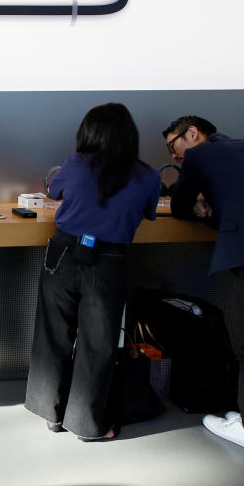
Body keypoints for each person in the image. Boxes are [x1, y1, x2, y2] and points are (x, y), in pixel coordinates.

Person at [25, 103, 160, 440]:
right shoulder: (147, 175)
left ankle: (51, 415)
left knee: (53, 335)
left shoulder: (75, 164)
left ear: (89, 133)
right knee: (97, 343)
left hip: (64, 252)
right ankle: (87, 425)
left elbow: (54, 192)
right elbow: (149, 212)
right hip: (110, 260)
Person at [164, 115, 244, 454]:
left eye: (173, 146)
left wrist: (200, 208)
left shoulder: (200, 156)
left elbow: (177, 206)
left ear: (192, 133)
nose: (175, 156)